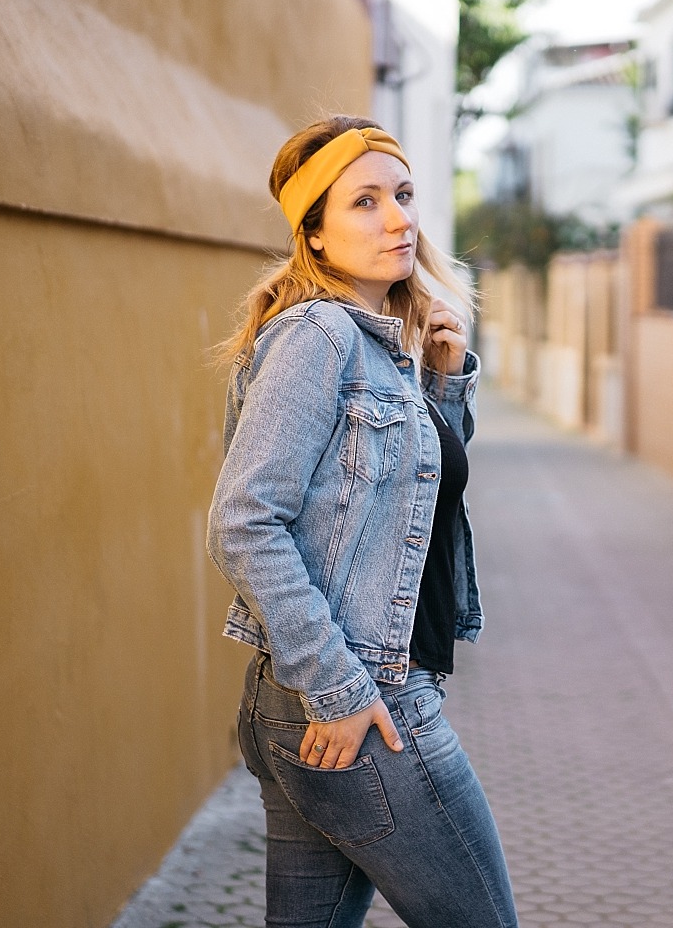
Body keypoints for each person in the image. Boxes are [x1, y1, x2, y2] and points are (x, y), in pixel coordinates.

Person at [206, 115, 517, 928]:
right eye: (365, 202)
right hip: (362, 704)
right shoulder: (317, 336)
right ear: (313, 233)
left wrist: (445, 387)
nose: (398, 219)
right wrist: (338, 689)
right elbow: (244, 521)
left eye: (404, 196)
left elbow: (411, 501)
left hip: (323, 702)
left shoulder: (380, 348)